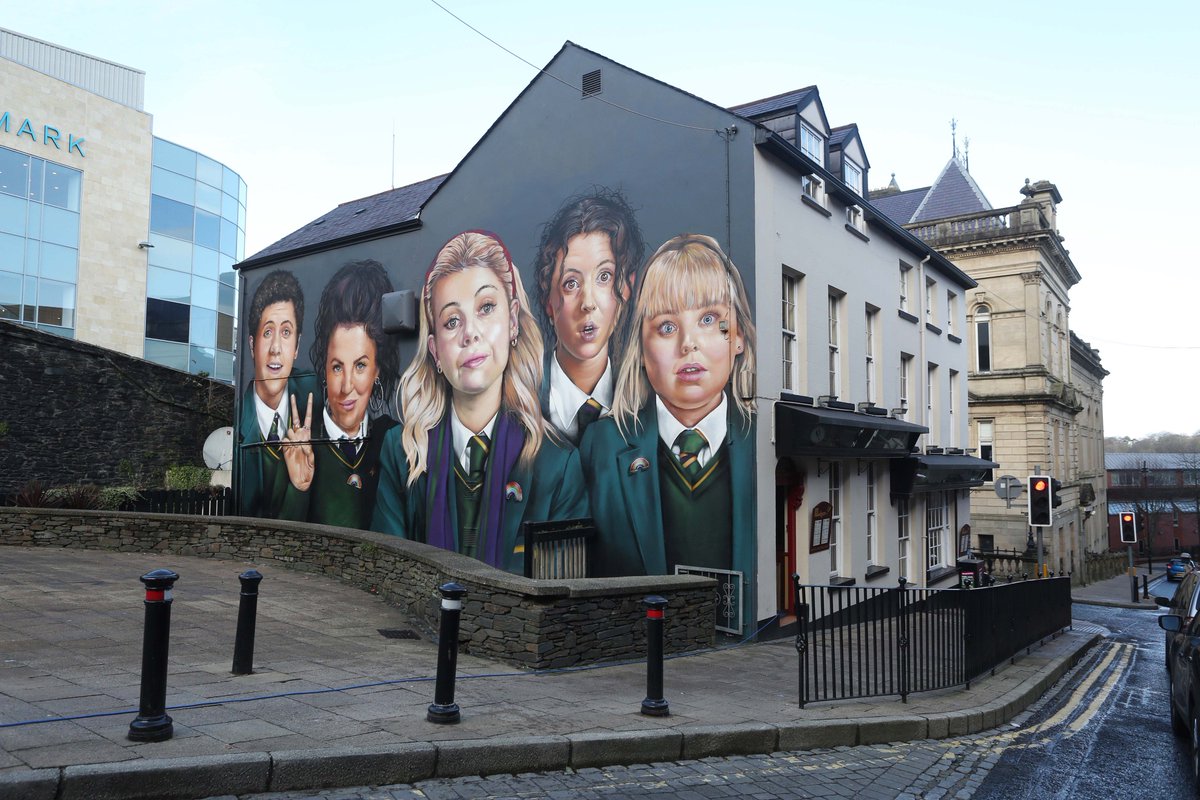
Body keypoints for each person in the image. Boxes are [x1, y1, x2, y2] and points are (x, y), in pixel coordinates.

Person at [372, 230, 588, 573]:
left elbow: (558, 595)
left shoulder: (557, 466)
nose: (469, 333)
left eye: (486, 308)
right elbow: (387, 577)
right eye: (451, 321)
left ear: (513, 321)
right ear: (435, 351)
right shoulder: (402, 454)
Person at [580, 234, 757, 580]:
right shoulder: (602, 446)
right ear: (641, 349)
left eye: (709, 319)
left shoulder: (762, 439)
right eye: (667, 326)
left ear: (737, 338)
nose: (688, 344)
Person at [277, 260, 401, 529]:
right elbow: (277, 543)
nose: (346, 386)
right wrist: (299, 488)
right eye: (336, 367)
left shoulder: (391, 440)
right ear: (324, 369)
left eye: (360, 366)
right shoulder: (300, 445)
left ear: (377, 370)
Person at [532, 189, 646, 445]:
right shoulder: (518, 400)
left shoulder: (646, 401)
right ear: (548, 301)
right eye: (570, 283)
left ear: (627, 286)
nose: (588, 303)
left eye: (604, 277)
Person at [236, 269, 317, 518]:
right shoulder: (238, 425)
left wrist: (300, 487)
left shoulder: (319, 395)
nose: (276, 349)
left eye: (286, 332)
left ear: (297, 346)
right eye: (268, 332)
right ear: (252, 344)